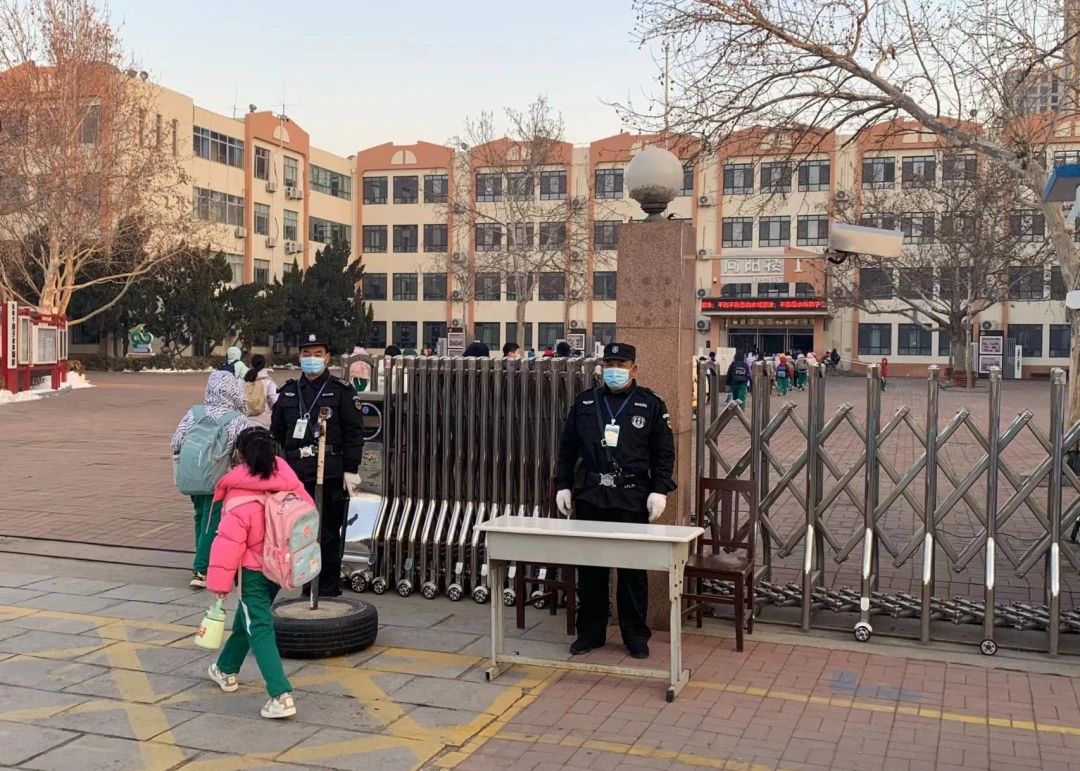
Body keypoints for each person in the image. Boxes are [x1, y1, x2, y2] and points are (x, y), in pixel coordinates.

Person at [555, 342, 676, 660]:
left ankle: (635, 635)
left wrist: (660, 490)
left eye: (621, 365)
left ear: (634, 369)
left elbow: (664, 453)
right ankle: (590, 633)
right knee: (591, 570)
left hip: (631, 497)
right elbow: (568, 448)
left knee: (632, 571)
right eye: (609, 364)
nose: (614, 370)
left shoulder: (650, 404)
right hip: (591, 495)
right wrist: (563, 485)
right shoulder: (586, 402)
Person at [205, 427, 312, 720]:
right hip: (279, 568)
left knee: (259, 626)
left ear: (240, 456)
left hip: (252, 572)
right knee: (249, 618)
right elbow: (307, 514)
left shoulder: (239, 496)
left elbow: (227, 544)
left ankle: (280, 695)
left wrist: (219, 585)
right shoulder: (290, 483)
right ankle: (225, 668)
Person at [270, 333, 365, 597]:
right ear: (299, 357)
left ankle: (328, 589)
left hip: (330, 473)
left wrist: (351, 469)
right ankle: (307, 586)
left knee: (328, 532)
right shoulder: (289, 391)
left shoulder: (341, 391)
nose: (311, 359)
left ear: (327, 358)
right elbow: (277, 433)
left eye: (317, 354)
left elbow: (354, 434)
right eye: (306, 354)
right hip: (296, 476)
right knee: (300, 532)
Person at [171, 371, 250, 588]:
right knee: (212, 521)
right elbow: (243, 452)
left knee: (200, 517)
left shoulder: (194, 413)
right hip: (220, 479)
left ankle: (201, 559)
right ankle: (202, 569)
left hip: (193, 475)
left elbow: (176, 441)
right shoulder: (238, 420)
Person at [244, 354, 278, 428]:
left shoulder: (246, 380)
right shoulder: (268, 381)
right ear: (264, 364)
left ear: (251, 365)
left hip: (247, 419)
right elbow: (274, 400)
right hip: (264, 420)